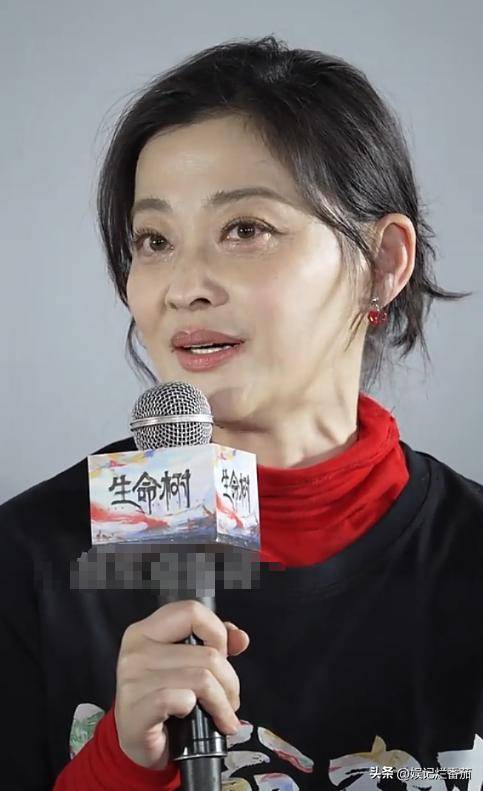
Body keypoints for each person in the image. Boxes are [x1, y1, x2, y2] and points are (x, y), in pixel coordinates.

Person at [1, 34, 482, 791]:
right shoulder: (23, 562)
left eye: (246, 230)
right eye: (154, 240)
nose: (183, 286)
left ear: (383, 262)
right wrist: (119, 765)